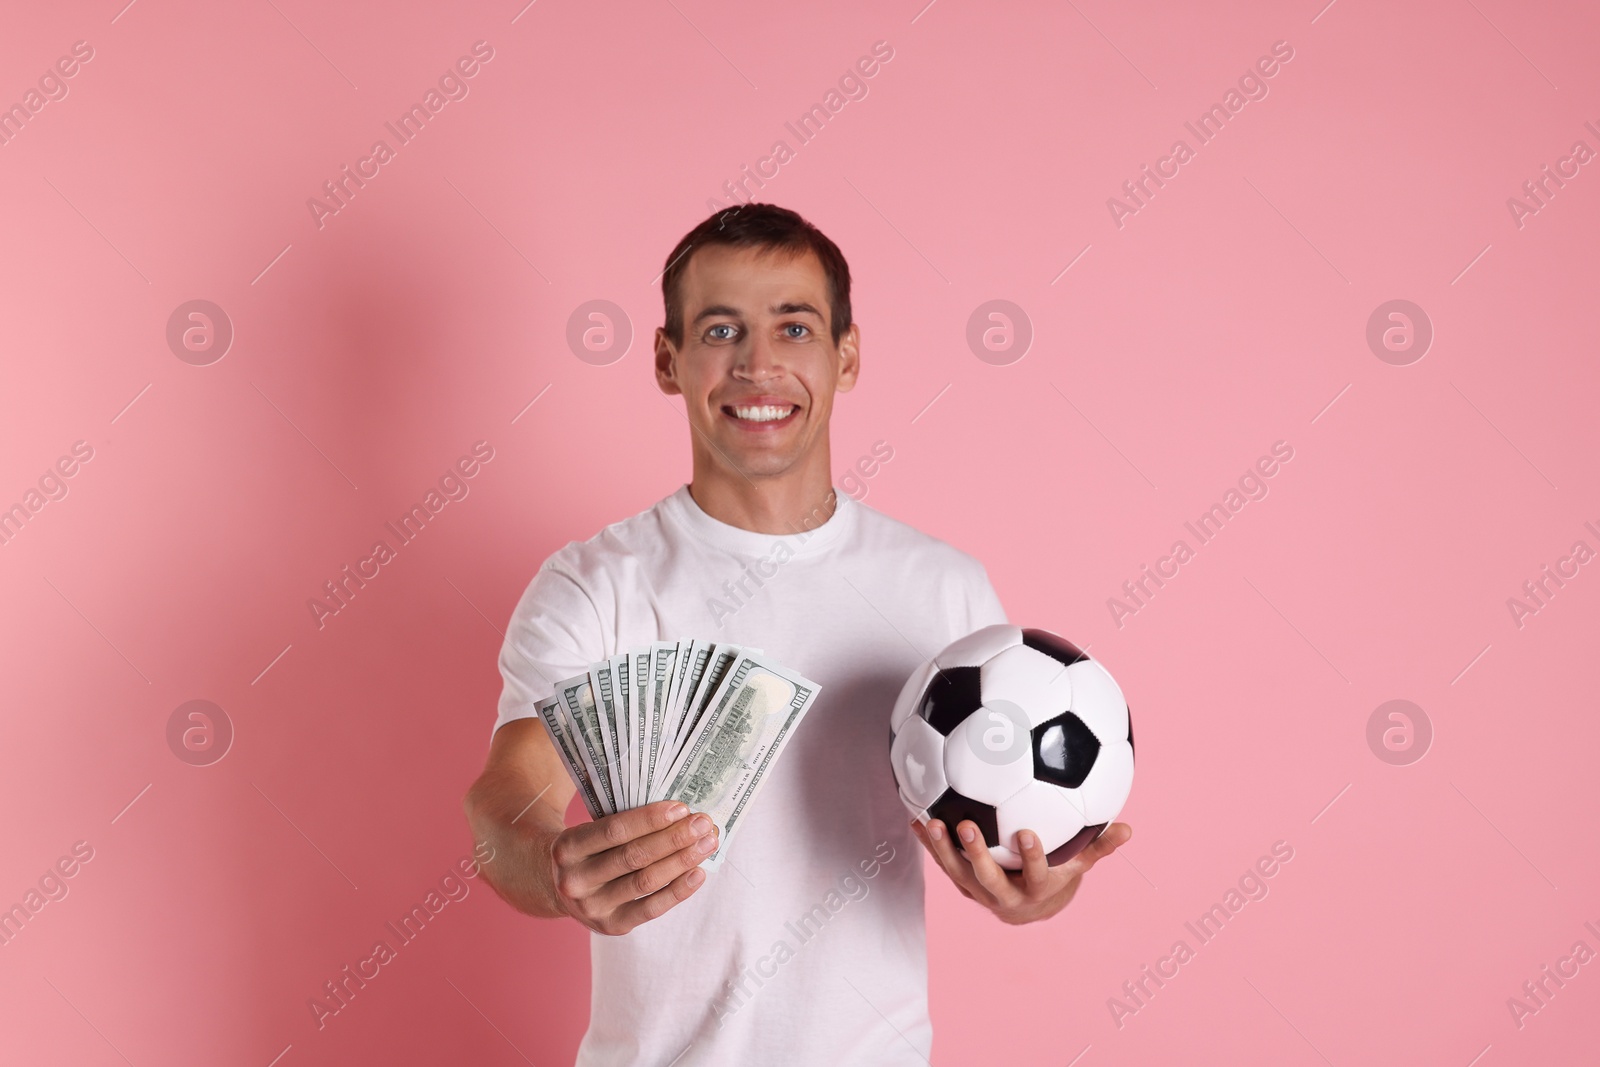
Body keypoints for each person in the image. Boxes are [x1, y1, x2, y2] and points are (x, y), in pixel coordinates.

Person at [463, 203, 1132, 1065]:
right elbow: (502, 804)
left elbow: (1018, 837)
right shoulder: (595, 587)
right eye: (719, 329)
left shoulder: (941, 588)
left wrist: (1034, 891)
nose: (758, 363)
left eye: (793, 326)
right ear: (668, 361)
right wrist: (554, 866)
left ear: (845, 356)